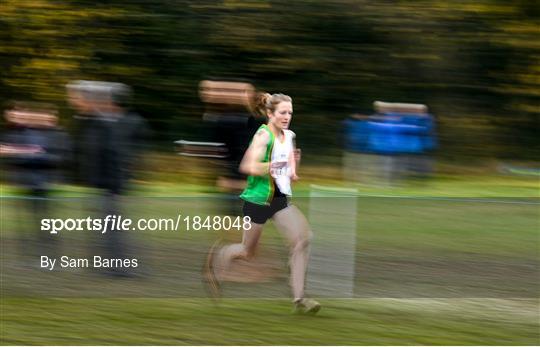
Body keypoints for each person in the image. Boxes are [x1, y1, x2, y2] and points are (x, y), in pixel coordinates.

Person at [205, 93, 320, 314]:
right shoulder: (263, 136)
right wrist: (275, 165)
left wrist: (294, 166)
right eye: (282, 112)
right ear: (270, 113)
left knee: (303, 240)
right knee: (247, 252)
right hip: (257, 201)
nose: (287, 117)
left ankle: (299, 299)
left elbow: (287, 172)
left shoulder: (288, 137)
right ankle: (220, 257)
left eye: (290, 113)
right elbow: (248, 166)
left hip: (279, 200)